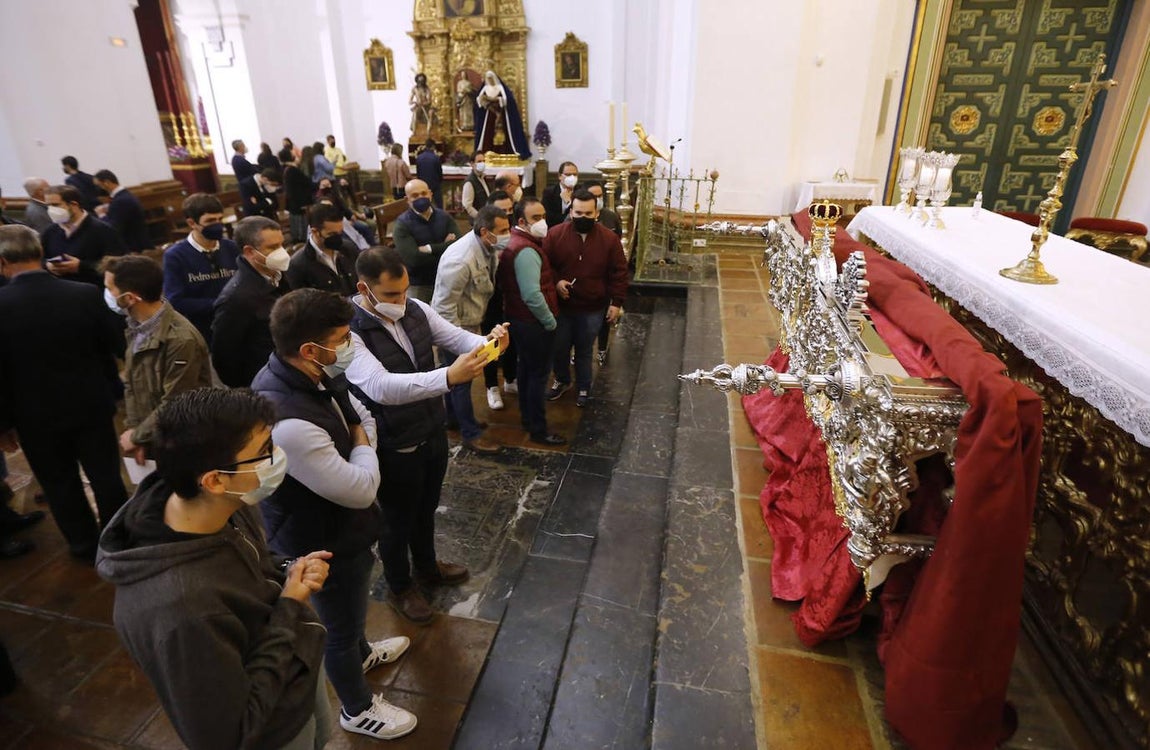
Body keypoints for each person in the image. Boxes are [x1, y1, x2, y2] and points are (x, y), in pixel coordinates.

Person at [95, 387, 333, 750]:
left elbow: (250, 560)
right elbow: (231, 733)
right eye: (263, 452)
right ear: (214, 480)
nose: (277, 458)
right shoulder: (183, 611)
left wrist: (288, 571)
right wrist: (290, 607)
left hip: (293, 670)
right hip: (273, 732)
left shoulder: (227, 503)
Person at [254, 289, 417, 741]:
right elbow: (361, 489)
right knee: (337, 629)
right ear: (310, 349)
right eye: (344, 338)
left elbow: (361, 414)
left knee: (352, 611)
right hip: (320, 537)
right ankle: (357, 708)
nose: (350, 346)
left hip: (340, 526)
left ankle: (362, 652)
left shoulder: (307, 374)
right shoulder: (288, 419)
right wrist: (362, 443)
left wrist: (359, 439)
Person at [345, 247, 501, 622]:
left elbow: (456, 338)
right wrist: (448, 377)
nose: (401, 301)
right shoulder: (346, 330)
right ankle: (400, 585)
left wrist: (488, 345)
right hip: (393, 438)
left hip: (430, 429)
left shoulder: (416, 309)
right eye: (390, 295)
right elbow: (381, 386)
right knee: (397, 520)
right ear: (363, 289)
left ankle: (428, 566)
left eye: (403, 291)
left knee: (426, 508)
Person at [0, 225, 128, 560]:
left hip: (33, 416)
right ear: (40, 253)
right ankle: (117, 540)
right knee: (106, 476)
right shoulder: (83, 294)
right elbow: (114, 346)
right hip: (91, 403)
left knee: (59, 483)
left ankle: (83, 546)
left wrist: (3, 425)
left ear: (2, 262)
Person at [104, 255, 212, 467]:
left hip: (181, 442)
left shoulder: (180, 340)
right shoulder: (137, 325)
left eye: (110, 288)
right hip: (156, 435)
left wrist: (136, 437)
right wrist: (137, 430)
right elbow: (133, 385)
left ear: (130, 298)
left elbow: (176, 403)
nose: (106, 294)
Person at [431, 205, 510, 454]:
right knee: (461, 379)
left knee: (456, 380)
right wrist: (458, 342)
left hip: (470, 320)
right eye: (504, 230)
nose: (508, 234)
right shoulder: (460, 260)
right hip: (454, 327)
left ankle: (453, 419)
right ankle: (470, 434)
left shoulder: (486, 246)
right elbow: (443, 309)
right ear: (485, 231)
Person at [545, 189, 629, 407]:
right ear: (570, 211)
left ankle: (584, 386)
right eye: (578, 213)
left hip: (592, 307)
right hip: (562, 307)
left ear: (596, 214)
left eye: (588, 214)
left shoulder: (609, 239)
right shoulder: (554, 235)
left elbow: (619, 272)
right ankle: (562, 380)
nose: (583, 218)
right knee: (559, 348)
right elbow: (545, 265)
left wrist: (616, 302)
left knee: (584, 350)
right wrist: (557, 281)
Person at [501, 197, 564, 445]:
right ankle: (538, 429)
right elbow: (532, 295)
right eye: (536, 218)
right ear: (521, 222)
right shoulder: (526, 250)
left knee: (526, 371)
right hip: (532, 323)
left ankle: (528, 419)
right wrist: (550, 322)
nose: (542, 222)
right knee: (537, 376)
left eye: (543, 216)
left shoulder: (518, 242)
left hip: (519, 318)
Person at [211, 216, 291, 387]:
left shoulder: (280, 275)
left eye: (282, 244)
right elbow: (225, 358)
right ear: (249, 252)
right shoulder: (235, 299)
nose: (282, 252)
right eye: (273, 247)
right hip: (265, 384)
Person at [162, 193, 240, 343]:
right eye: (210, 221)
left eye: (219, 219)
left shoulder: (231, 247)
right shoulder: (175, 256)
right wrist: (219, 304)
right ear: (192, 223)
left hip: (235, 323)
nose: (217, 224)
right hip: (201, 329)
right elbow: (176, 301)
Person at [41, 184, 127, 286]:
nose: (51, 210)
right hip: (63, 290)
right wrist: (48, 265)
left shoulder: (103, 230)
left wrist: (81, 266)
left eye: (55, 205)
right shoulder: (50, 231)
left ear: (73, 205)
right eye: (48, 206)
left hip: (94, 290)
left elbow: (118, 266)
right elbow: (40, 259)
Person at [392, 178, 459, 304]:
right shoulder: (402, 225)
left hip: (446, 278)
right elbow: (413, 259)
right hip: (419, 283)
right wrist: (445, 246)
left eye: (423, 194)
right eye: (415, 196)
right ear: (407, 200)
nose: (421, 198)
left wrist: (429, 249)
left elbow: (458, 246)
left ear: (430, 194)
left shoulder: (444, 217)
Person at [480, 192, 518, 411]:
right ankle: (491, 385)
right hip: (489, 302)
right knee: (492, 344)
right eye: (502, 211)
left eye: (510, 210)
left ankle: (511, 379)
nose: (507, 215)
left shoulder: (510, 234)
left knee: (511, 342)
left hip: (511, 297)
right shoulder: (484, 242)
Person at [287, 203, 358, 296]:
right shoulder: (298, 265)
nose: (337, 238)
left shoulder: (349, 248)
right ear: (315, 232)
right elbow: (304, 305)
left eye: (340, 233)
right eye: (332, 234)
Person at [472, 71, 531, 159]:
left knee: (502, 132)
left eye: (491, 78)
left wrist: (496, 99)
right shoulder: (485, 88)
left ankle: (505, 152)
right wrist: (484, 100)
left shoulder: (500, 87)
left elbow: (506, 99)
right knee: (487, 133)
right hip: (489, 114)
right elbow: (478, 100)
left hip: (501, 113)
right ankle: (487, 153)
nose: (490, 80)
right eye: (488, 79)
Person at [93, 169, 151, 252]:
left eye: (98, 185)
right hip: (138, 243)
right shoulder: (124, 195)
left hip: (134, 248)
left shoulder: (120, 200)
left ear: (106, 182)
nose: (98, 189)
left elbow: (113, 229)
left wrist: (102, 215)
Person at [282, 152, 315, 243]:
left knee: (297, 224)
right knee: (301, 228)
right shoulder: (293, 170)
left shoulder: (287, 169)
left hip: (294, 202)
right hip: (299, 202)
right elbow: (305, 184)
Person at [542, 161, 580, 227]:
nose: (572, 177)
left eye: (574, 174)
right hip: (553, 228)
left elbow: (579, 216)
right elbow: (548, 217)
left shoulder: (581, 191)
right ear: (560, 176)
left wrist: (569, 202)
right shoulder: (549, 192)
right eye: (568, 175)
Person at [415, 140, 444, 209]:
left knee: (424, 204)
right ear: (433, 147)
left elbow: (418, 173)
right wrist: (440, 181)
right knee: (439, 204)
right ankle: (440, 217)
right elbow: (439, 172)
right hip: (435, 184)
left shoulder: (419, 158)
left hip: (423, 185)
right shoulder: (435, 158)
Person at [461, 151, 489, 218]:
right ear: (472, 164)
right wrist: (480, 217)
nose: (482, 163)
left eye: (483, 161)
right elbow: (467, 206)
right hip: (479, 220)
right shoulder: (469, 182)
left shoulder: (483, 178)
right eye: (479, 161)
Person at [409, 73, 436, 140]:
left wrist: (424, 103)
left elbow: (429, 101)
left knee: (431, 113)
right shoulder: (414, 89)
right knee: (415, 113)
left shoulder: (427, 89)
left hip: (426, 107)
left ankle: (428, 132)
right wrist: (415, 102)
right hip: (418, 106)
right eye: (419, 81)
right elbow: (410, 101)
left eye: (422, 81)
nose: (421, 82)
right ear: (417, 81)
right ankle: (414, 132)